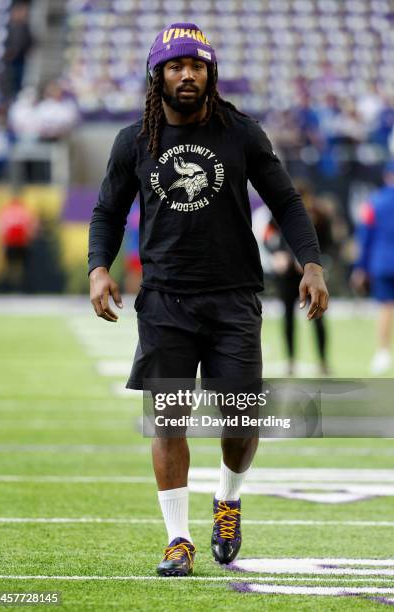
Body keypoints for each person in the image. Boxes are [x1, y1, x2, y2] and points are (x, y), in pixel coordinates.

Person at [88, 23, 329, 577]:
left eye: (197, 66)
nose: (187, 74)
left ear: (210, 73)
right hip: (165, 300)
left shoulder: (240, 132)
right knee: (167, 418)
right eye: (176, 66)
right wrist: (99, 269)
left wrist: (312, 263)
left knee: (240, 421)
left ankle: (229, 499)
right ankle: (178, 539)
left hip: (234, 299)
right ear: (159, 76)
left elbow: (287, 200)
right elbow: (105, 212)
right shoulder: (134, 141)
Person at [264, 179, 334, 376]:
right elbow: (269, 238)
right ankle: (291, 360)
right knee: (287, 316)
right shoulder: (281, 212)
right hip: (287, 275)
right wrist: (278, 254)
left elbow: (329, 245)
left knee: (319, 315)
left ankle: (322, 360)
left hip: (312, 276)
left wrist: (316, 262)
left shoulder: (321, 216)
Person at [351, 160, 394, 375]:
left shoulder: (374, 202)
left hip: (383, 262)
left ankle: (383, 353)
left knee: (385, 308)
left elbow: (365, 237)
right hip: (384, 261)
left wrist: (361, 267)